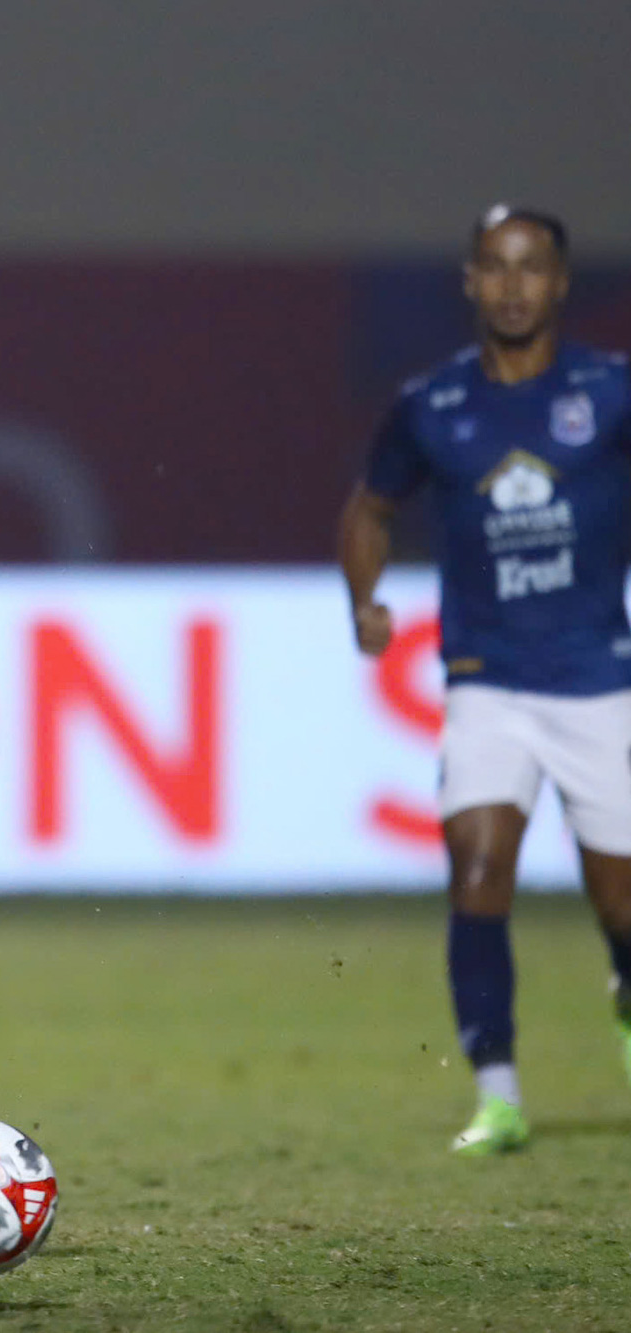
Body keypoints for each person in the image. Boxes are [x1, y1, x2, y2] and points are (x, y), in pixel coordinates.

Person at [339, 204, 631, 1156]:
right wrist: (365, 600)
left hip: (598, 680)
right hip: (485, 682)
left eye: (531, 268)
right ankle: (498, 1093)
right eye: (495, 268)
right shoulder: (433, 404)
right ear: (469, 280)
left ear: (559, 281)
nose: (512, 285)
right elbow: (371, 508)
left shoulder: (610, 391)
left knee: (620, 903)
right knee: (477, 873)